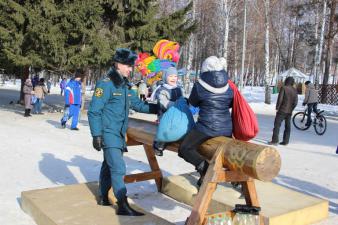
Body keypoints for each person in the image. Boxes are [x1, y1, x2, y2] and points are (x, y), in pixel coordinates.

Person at [87, 48, 157, 216]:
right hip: (108, 132)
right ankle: (122, 204)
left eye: (131, 66)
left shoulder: (125, 85)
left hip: (119, 133)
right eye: (128, 66)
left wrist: (158, 107)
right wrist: (96, 135)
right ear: (118, 64)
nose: (130, 69)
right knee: (118, 168)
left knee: (107, 166)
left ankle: (104, 196)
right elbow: (94, 111)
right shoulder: (106, 84)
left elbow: (138, 105)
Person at [178, 56, 234, 188]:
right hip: (226, 128)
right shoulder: (229, 85)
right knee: (217, 152)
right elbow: (231, 103)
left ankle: (204, 168)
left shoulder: (199, 85)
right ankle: (206, 177)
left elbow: (193, 103)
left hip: (206, 128)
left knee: (185, 148)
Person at [152, 67, 183, 156]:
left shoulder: (178, 88)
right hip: (165, 116)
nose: (173, 78)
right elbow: (163, 103)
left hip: (177, 115)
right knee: (166, 130)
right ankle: (158, 145)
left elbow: (182, 99)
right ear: (165, 77)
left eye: (175, 76)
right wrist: (177, 105)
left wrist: (186, 103)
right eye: (170, 76)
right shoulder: (162, 89)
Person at [268, 77, 298, 146]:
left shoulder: (284, 88)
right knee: (288, 127)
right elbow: (296, 102)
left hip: (282, 110)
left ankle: (275, 141)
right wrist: (291, 108)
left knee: (277, 125)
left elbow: (280, 99)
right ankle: (285, 141)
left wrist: (277, 107)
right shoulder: (294, 90)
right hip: (289, 111)